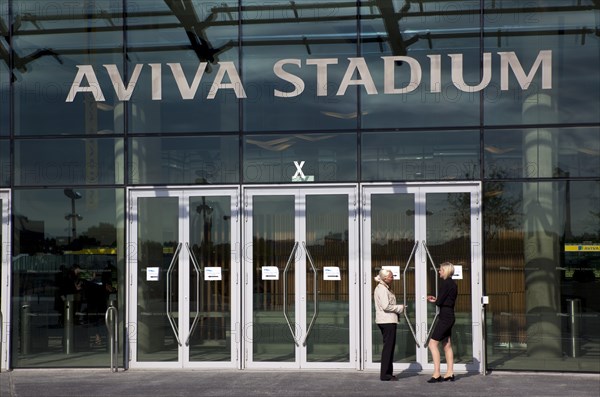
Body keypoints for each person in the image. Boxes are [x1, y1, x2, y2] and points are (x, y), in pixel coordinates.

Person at [426, 262, 458, 383]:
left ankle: (436, 374)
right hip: (450, 315)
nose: (439, 271)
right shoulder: (453, 284)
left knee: (432, 344)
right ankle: (450, 373)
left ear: (445, 271)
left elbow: (440, 302)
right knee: (446, 344)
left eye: (440, 270)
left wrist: (435, 300)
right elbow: (444, 300)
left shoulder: (446, 284)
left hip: (445, 317)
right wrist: (437, 300)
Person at [373, 268, 405, 381]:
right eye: (391, 276)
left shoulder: (384, 288)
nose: (393, 278)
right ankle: (385, 375)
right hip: (387, 321)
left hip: (387, 320)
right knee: (388, 348)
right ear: (385, 278)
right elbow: (386, 306)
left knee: (389, 347)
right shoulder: (382, 289)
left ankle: (388, 373)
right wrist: (399, 308)